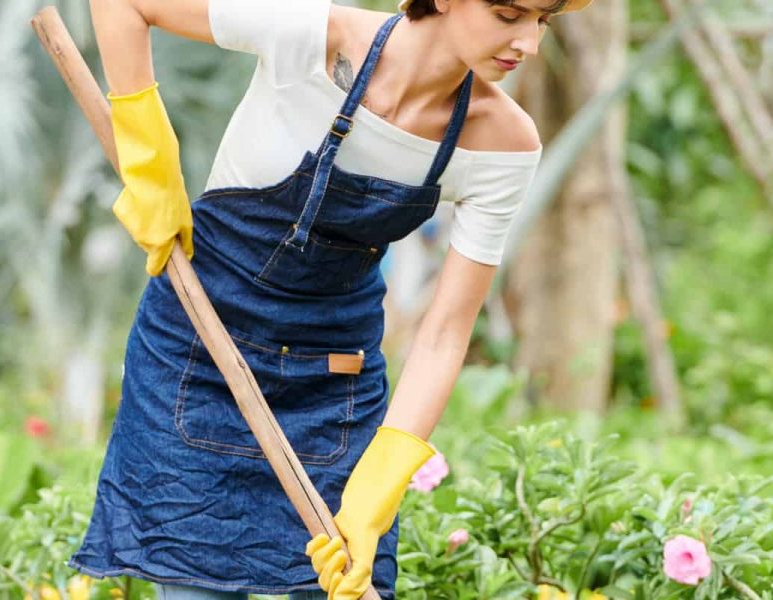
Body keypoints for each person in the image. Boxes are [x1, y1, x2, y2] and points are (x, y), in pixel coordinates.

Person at [68, 0, 592, 597]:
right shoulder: (314, 37)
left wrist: (381, 483)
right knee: (193, 583)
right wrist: (150, 163)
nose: (528, 42)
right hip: (197, 347)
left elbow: (446, 331)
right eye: (508, 14)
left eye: (543, 21)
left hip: (332, 382)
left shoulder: (502, 143)